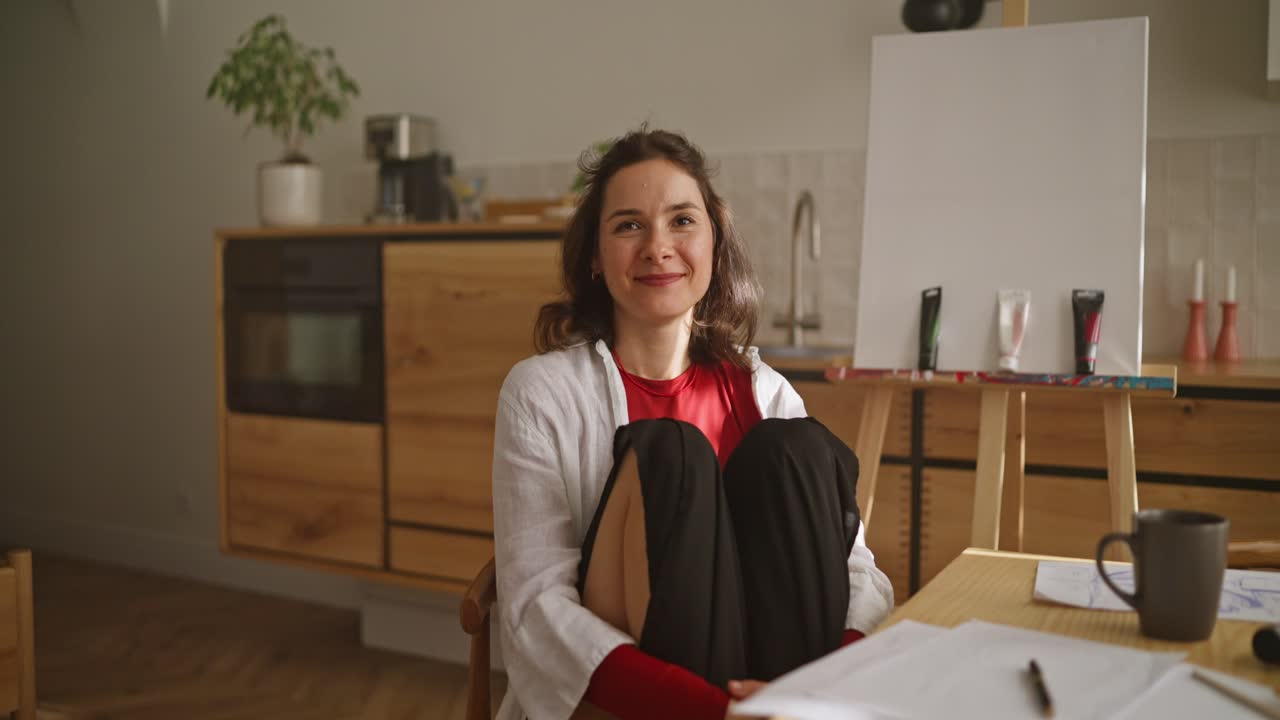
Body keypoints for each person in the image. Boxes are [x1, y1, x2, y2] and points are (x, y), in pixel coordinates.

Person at [492, 127, 894, 720]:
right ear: (596, 259)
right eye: (629, 225)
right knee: (673, 456)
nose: (658, 246)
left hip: (779, 693)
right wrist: (714, 711)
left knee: (796, 448)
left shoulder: (768, 392)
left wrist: (814, 693)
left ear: (714, 243)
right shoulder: (540, 393)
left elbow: (857, 571)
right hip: (636, 705)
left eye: (682, 220)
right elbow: (535, 607)